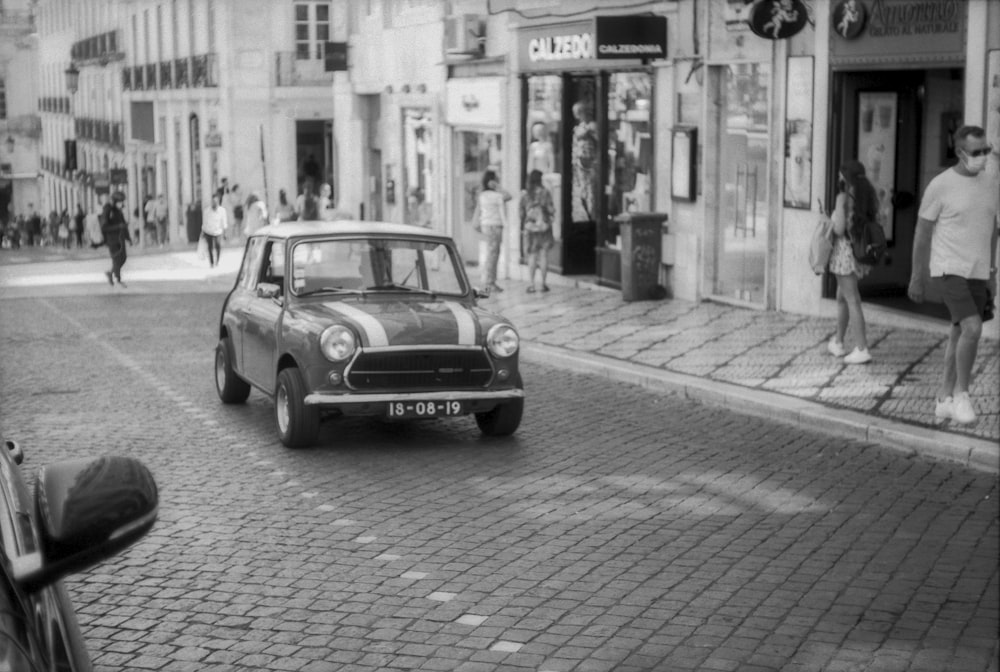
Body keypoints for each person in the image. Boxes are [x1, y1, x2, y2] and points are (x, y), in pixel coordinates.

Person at [908, 125, 999, 425]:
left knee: (959, 333)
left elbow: (992, 230)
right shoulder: (940, 185)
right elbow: (922, 233)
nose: (983, 156)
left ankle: (943, 399)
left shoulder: (991, 183)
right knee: (972, 329)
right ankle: (962, 395)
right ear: (960, 153)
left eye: (986, 150)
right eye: (977, 152)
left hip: (977, 271)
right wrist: (917, 276)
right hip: (949, 269)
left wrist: (991, 273)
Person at [827, 160, 877, 364]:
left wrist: (829, 220)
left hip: (844, 254)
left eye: (841, 175)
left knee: (852, 299)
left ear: (846, 178)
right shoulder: (868, 196)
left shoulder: (843, 197)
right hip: (859, 253)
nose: (838, 179)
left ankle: (861, 348)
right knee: (842, 297)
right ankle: (838, 341)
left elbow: (838, 229)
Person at [471, 169, 508, 293]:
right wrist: (498, 187)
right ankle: (489, 283)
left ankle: (489, 281)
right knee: (493, 254)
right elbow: (509, 196)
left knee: (491, 253)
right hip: (495, 226)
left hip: (486, 226)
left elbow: (478, 209)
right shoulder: (497, 195)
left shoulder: (482, 195)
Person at [519, 169, 555, 293]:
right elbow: (551, 210)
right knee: (544, 255)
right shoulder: (546, 193)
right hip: (544, 228)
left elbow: (521, 213)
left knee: (532, 256)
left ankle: (532, 284)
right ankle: (544, 284)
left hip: (530, 229)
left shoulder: (525, 195)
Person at [101, 192, 133, 287]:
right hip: (112, 239)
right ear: (115, 201)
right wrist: (118, 226)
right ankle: (118, 279)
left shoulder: (119, 211)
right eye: (120, 202)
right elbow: (104, 227)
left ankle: (111, 274)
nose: (122, 204)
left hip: (120, 238)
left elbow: (123, 226)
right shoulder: (108, 210)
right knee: (116, 258)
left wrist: (128, 238)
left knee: (123, 258)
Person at [201, 193, 228, 267]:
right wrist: (203, 232)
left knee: (218, 245)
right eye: (213, 201)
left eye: (216, 201)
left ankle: (217, 261)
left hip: (218, 231)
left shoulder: (222, 211)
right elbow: (204, 222)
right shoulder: (206, 211)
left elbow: (224, 222)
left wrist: (225, 233)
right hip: (208, 231)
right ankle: (212, 263)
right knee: (210, 247)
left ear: (218, 202)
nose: (214, 203)